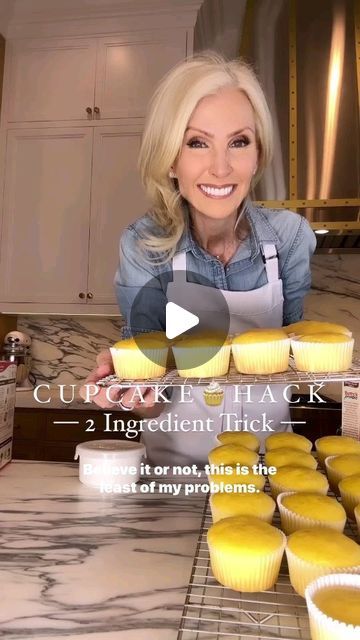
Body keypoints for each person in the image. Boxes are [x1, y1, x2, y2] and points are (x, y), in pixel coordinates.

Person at [80, 51, 316, 464]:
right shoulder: (144, 246)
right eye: (197, 143)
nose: (220, 168)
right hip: (174, 477)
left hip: (269, 472)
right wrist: (127, 385)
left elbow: (293, 359)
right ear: (171, 158)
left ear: (258, 153)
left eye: (239, 142)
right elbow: (150, 400)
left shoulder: (289, 238)